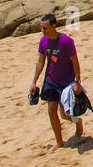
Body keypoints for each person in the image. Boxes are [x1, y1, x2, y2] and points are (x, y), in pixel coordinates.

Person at [29, 13, 86, 148]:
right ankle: (59, 142)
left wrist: (77, 81)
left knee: (65, 113)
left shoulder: (66, 41)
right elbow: (40, 62)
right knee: (51, 110)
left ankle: (78, 122)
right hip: (51, 81)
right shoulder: (43, 41)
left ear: (53, 26)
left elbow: (75, 62)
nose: (42, 31)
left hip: (66, 82)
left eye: (45, 28)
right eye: (41, 28)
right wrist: (34, 82)